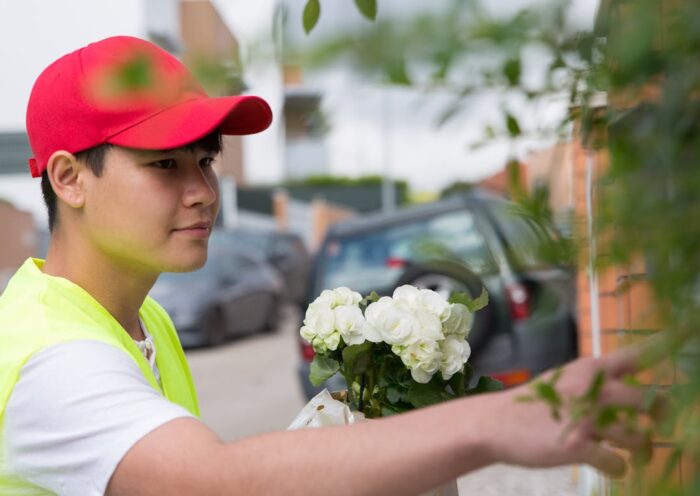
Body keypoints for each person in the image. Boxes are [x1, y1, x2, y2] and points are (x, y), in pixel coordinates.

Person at [0, 36, 660, 496]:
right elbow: (208, 483)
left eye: (206, 161)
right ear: (70, 178)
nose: (202, 190)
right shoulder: (53, 356)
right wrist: (496, 422)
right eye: (164, 164)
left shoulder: (141, 319)